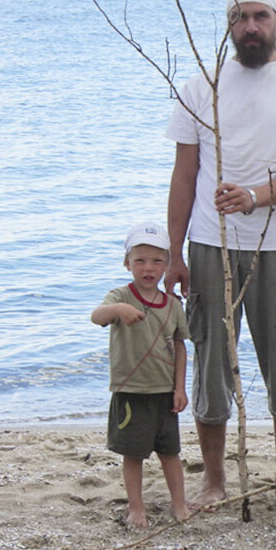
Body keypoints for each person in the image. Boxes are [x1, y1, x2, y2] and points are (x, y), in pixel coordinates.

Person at [164, 0, 276, 516]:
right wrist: (173, 254)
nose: (251, 27)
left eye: (261, 16)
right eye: (240, 18)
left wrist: (254, 196)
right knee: (212, 363)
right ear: (228, 25)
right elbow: (184, 176)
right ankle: (215, 480)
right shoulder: (201, 87)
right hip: (209, 244)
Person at [91, 222, 191, 528]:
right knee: (133, 454)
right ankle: (136, 507)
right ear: (127, 263)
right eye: (140, 261)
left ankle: (179, 503)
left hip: (164, 392)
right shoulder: (120, 295)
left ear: (167, 266)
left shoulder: (172, 305)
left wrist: (180, 388)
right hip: (131, 390)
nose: (149, 268)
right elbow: (97, 316)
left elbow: (180, 346)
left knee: (170, 452)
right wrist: (119, 310)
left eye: (157, 261)